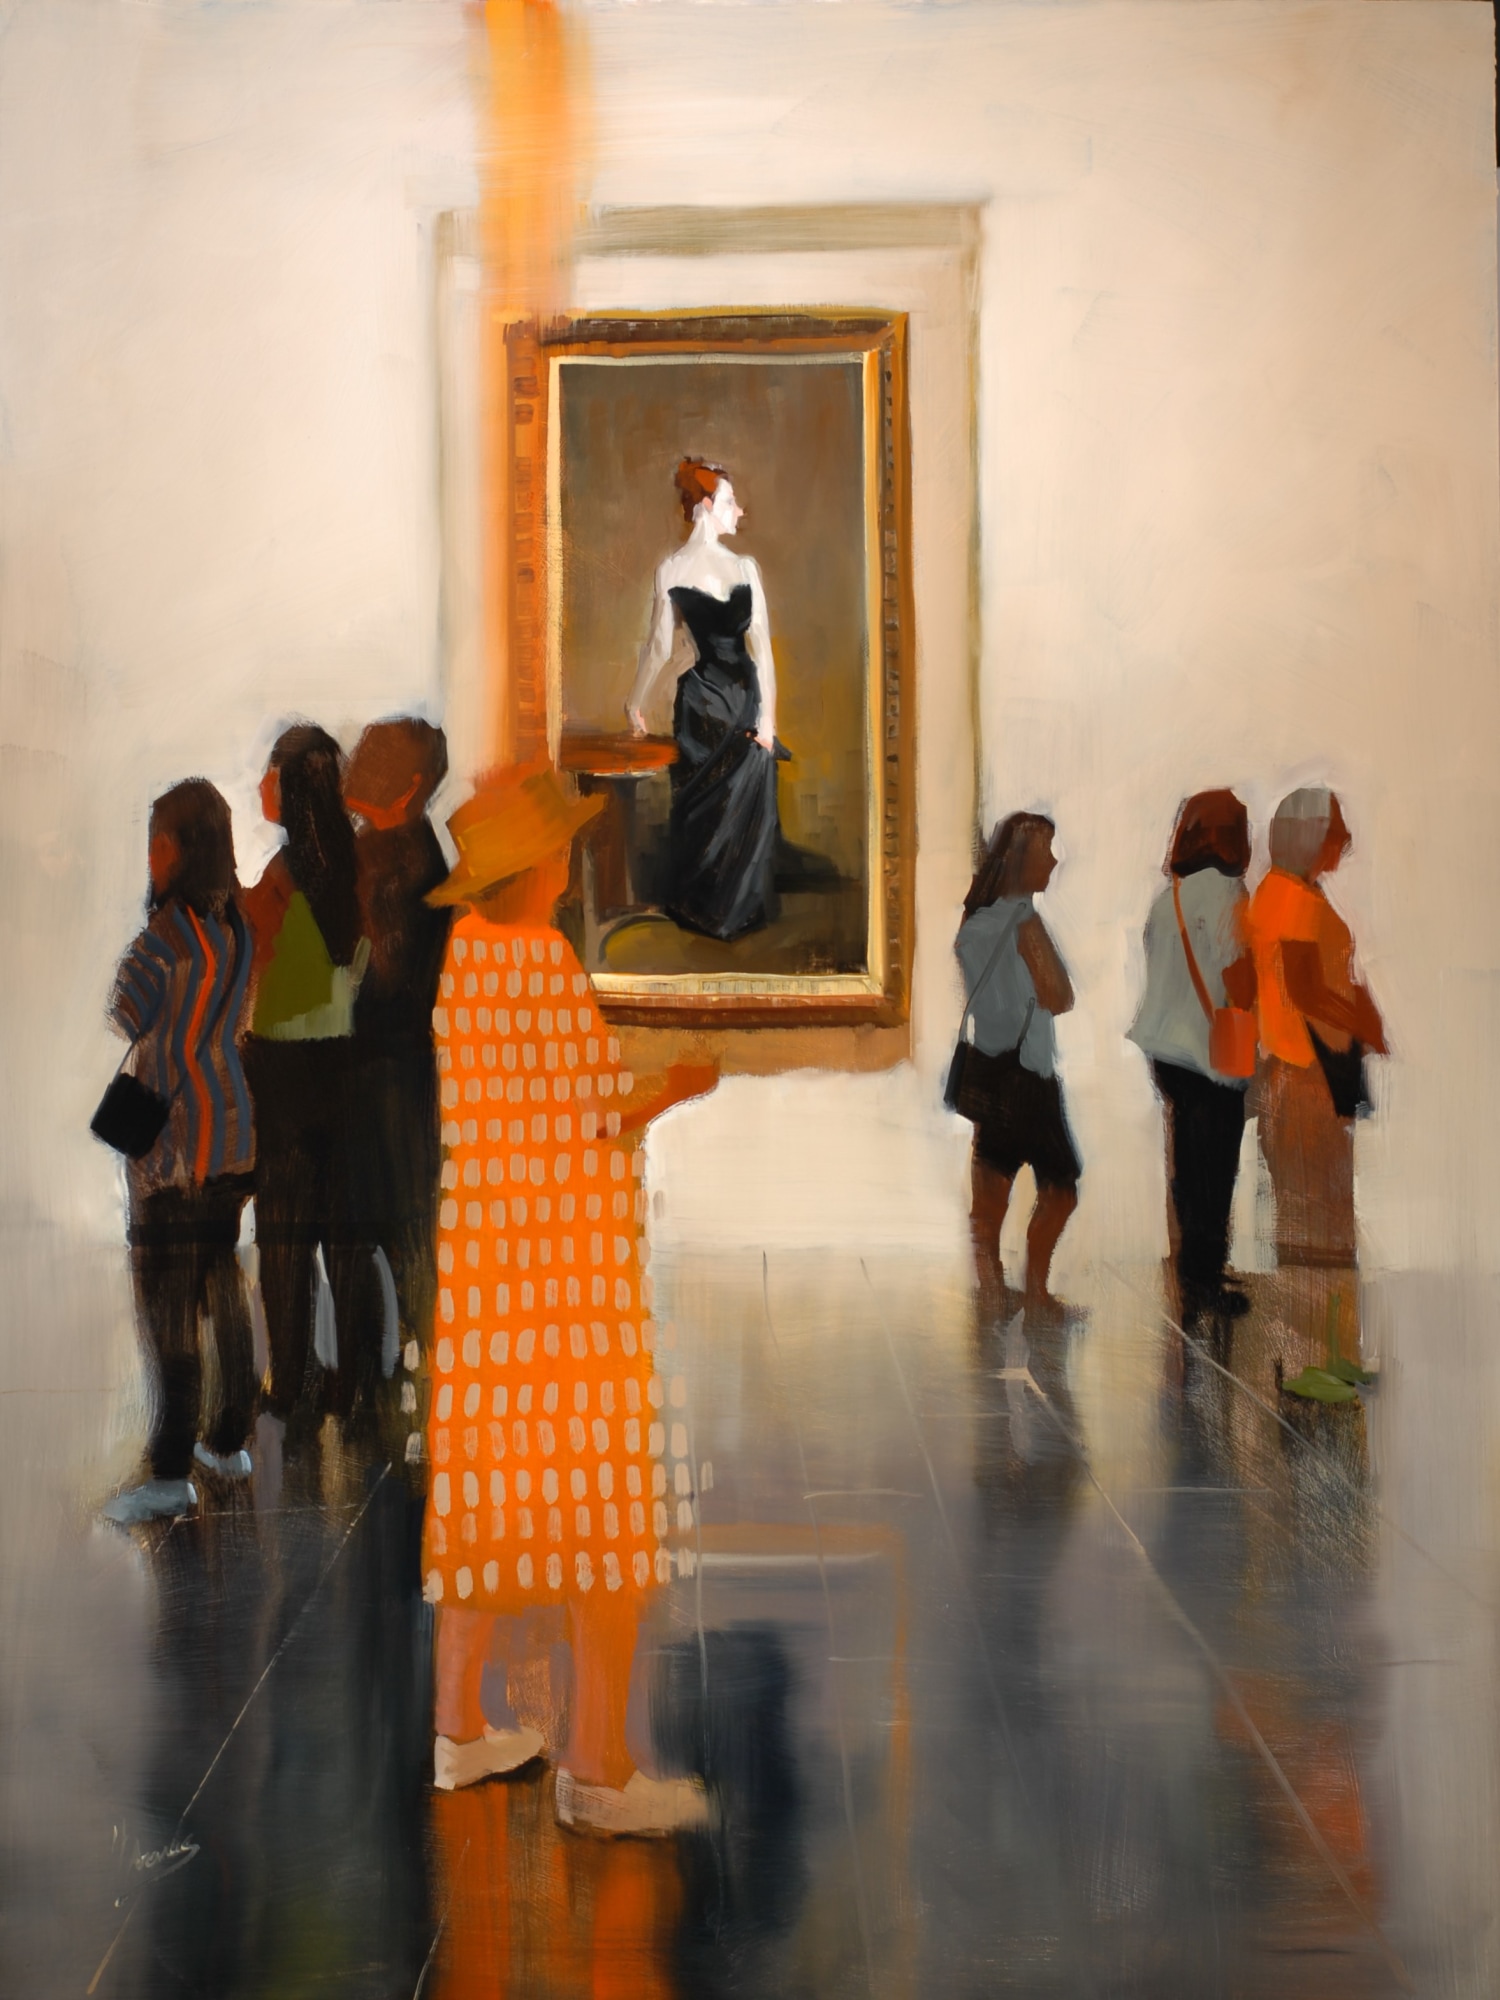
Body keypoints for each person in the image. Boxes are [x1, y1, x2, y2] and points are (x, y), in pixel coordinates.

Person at [420, 760, 718, 1834]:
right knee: (601, 1515)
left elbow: (510, 1114)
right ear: (538, 865)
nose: (570, 860)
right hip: (565, 1281)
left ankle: (459, 1730)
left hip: (485, 1275)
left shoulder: (465, 959)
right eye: (560, 848)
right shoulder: (540, 963)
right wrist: (674, 1086)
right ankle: (596, 1767)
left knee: (483, 1505)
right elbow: (591, 1116)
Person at [103, 781, 258, 1523]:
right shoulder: (239, 928)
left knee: (168, 1309)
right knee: (221, 1286)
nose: (151, 854)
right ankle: (228, 1442)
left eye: (158, 841)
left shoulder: (163, 937)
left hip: (169, 1147)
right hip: (231, 1131)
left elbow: (123, 1012)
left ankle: (169, 1472)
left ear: (178, 849)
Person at [243, 724, 372, 1428]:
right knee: (342, 1234)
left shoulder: (282, 875)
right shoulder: (357, 866)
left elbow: (252, 956)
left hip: (282, 1066)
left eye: (271, 771)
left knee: (285, 1235)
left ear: (292, 788)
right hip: (344, 1062)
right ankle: (351, 1383)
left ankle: (287, 1380)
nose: (262, 783)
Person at [624, 458, 790, 941]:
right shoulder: (740, 569)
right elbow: (757, 651)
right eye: (730, 501)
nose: (740, 510)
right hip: (730, 700)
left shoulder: (675, 569)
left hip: (706, 702)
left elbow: (660, 648)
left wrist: (635, 700)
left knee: (711, 803)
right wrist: (767, 718)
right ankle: (724, 909)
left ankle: (711, 907)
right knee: (710, 803)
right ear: (704, 506)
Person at [344, 718, 453, 1416]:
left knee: (393, 1227)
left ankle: (397, 1380)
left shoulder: (393, 864)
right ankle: (398, 1377)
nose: (359, 763)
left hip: (385, 1069)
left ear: (410, 785)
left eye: (375, 758)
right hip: (395, 1069)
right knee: (395, 1226)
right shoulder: (408, 856)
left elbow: (374, 977)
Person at [1129, 790, 1257, 1325]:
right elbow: (1239, 982)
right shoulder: (1230, 895)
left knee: (1185, 1161)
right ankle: (1206, 1280)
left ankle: (1190, 1274)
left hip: (1167, 1051)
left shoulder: (1169, 898)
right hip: (1213, 1052)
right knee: (1217, 1168)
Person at [1247, 788, 1385, 1275]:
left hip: (1301, 1066)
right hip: (1307, 1070)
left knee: (1306, 1207)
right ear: (1310, 835)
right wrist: (1364, 1023)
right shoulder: (1293, 898)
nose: (1345, 840)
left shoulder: (1281, 891)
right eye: (1335, 829)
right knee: (1318, 1214)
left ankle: (1319, 1309)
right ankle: (1324, 1314)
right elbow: (1306, 992)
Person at [954, 811, 1081, 1314]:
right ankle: (1036, 1291)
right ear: (1020, 861)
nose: (1054, 861)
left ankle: (990, 1289)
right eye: (1046, 851)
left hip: (987, 1068)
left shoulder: (973, 924)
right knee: (1061, 1189)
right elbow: (1060, 996)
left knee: (990, 1193)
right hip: (1029, 1074)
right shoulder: (1025, 922)